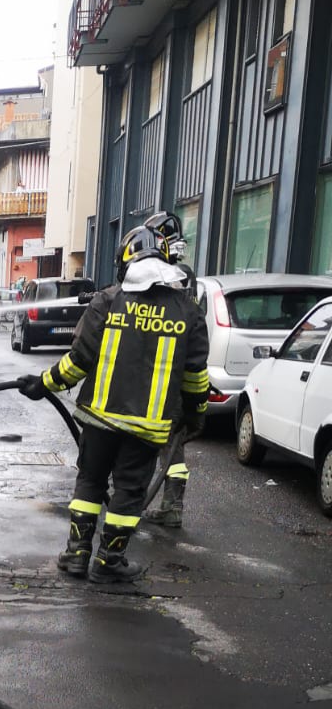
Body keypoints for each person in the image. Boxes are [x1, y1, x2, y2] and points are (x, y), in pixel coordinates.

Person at [17, 225, 210, 583]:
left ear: (126, 261)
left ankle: (76, 554)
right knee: (129, 492)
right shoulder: (188, 311)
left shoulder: (107, 301)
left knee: (90, 482)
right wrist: (196, 414)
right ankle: (109, 561)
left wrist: (42, 384)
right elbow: (195, 377)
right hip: (146, 429)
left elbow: (77, 363)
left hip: (98, 421)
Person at [142, 211, 198, 528]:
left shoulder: (160, 277)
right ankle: (173, 506)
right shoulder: (186, 278)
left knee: (144, 440)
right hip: (176, 375)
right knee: (172, 446)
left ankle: (128, 500)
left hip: (153, 373)